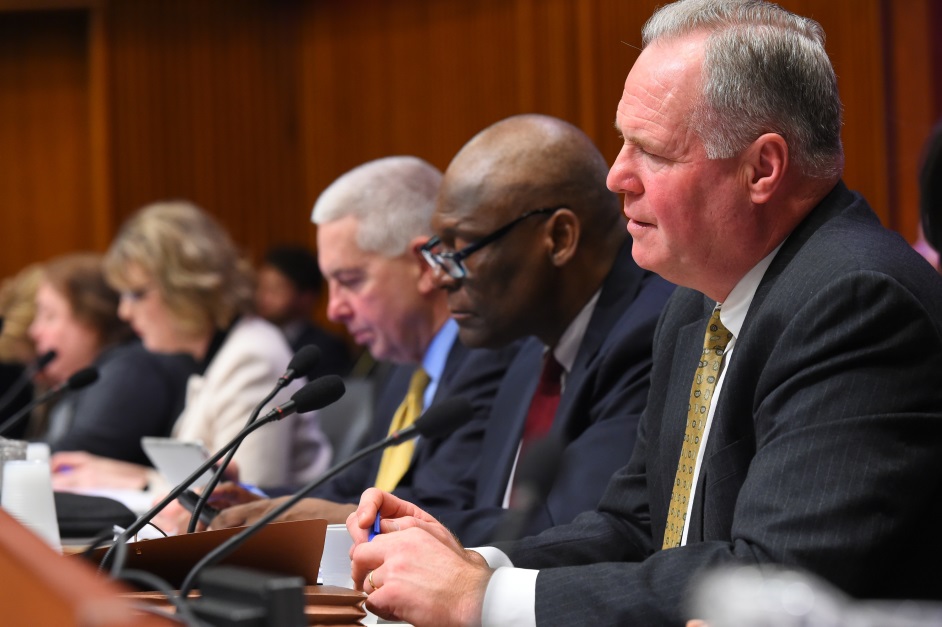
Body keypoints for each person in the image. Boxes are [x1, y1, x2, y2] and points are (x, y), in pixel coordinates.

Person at [345, 1, 942, 625]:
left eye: (652, 152)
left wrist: (483, 601)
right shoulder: (695, 304)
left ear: (761, 168)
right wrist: (474, 564)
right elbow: (637, 526)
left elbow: (770, 579)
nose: (615, 176)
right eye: (621, 142)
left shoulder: (857, 302)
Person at [206, 156, 516, 528]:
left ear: (423, 267)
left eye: (350, 281)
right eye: (329, 284)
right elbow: (355, 486)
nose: (334, 310)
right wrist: (256, 498)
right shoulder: (400, 369)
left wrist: (283, 515)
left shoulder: (490, 358)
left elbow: (442, 505)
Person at [51, 201, 331, 491]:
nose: (124, 312)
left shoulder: (253, 357)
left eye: (136, 294)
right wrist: (122, 473)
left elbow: (242, 500)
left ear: (185, 287)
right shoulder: (220, 353)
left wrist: (138, 481)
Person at [28, 253, 193, 467]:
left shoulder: (130, 370)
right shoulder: (84, 377)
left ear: (92, 319)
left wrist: (8, 455)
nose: (34, 331)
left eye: (49, 316)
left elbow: (72, 455)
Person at [255, 244, 354, 377]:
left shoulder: (327, 348)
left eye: (275, 289)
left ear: (306, 297)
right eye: (261, 287)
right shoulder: (252, 339)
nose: (264, 297)